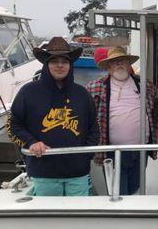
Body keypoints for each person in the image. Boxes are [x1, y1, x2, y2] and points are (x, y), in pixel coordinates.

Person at [6, 37, 99, 196]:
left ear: (70, 65)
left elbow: (94, 129)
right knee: (47, 220)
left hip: (78, 175)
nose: (60, 65)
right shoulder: (28, 92)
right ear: (46, 64)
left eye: (65, 61)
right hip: (43, 174)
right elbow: (12, 126)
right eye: (54, 61)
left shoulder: (82, 94)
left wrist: (84, 156)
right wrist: (31, 142)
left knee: (79, 220)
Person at [86, 46, 158, 195]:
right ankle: (121, 218)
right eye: (114, 62)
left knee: (134, 187)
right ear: (108, 67)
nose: (119, 64)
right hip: (113, 151)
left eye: (123, 61)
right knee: (118, 192)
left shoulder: (145, 85)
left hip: (141, 150)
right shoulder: (95, 87)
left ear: (129, 64)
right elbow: (84, 115)